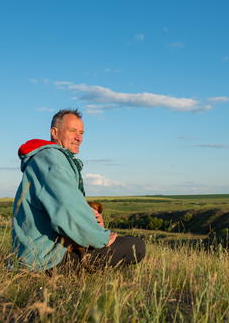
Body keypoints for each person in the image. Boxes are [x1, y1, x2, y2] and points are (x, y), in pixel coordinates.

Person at [11, 108, 145, 273]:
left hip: (37, 255)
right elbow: (67, 210)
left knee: (126, 241)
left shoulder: (46, 159)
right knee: (136, 246)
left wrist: (90, 216)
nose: (78, 137)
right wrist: (101, 238)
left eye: (81, 132)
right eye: (72, 131)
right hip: (47, 260)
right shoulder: (51, 159)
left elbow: (63, 202)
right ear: (54, 132)